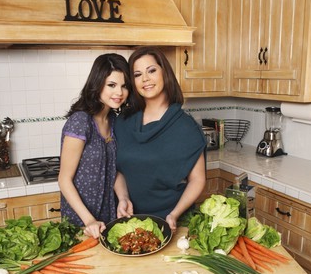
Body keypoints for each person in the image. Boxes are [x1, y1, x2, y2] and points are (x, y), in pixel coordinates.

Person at [114, 46, 207, 232]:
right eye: (138, 74)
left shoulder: (186, 127)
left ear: (165, 72)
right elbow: (119, 170)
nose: (145, 79)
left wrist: (174, 214)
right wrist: (123, 198)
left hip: (174, 222)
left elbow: (197, 180)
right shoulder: (122, 122)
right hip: (131, 221)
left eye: (152, 71)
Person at [58, 53, 131, 239]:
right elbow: (64, 180)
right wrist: (88, 220)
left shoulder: (114, 120)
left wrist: (123, 198)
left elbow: (114, 169)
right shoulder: (81, 122)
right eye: (112, 85)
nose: (119, 93)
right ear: (97, 84)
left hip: (108, 217)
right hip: (81, 221)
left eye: (124, 86)